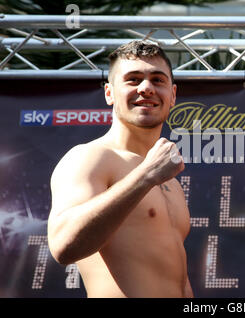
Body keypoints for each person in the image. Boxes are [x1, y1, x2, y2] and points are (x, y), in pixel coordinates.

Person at [47, 41, 193, 298]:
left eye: (158, 80)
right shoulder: (89, 158)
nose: (146, 88)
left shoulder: (169, 180)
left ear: (173, 95)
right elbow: (63, 246)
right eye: (133, 80)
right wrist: (145, 176)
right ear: (109, 93)